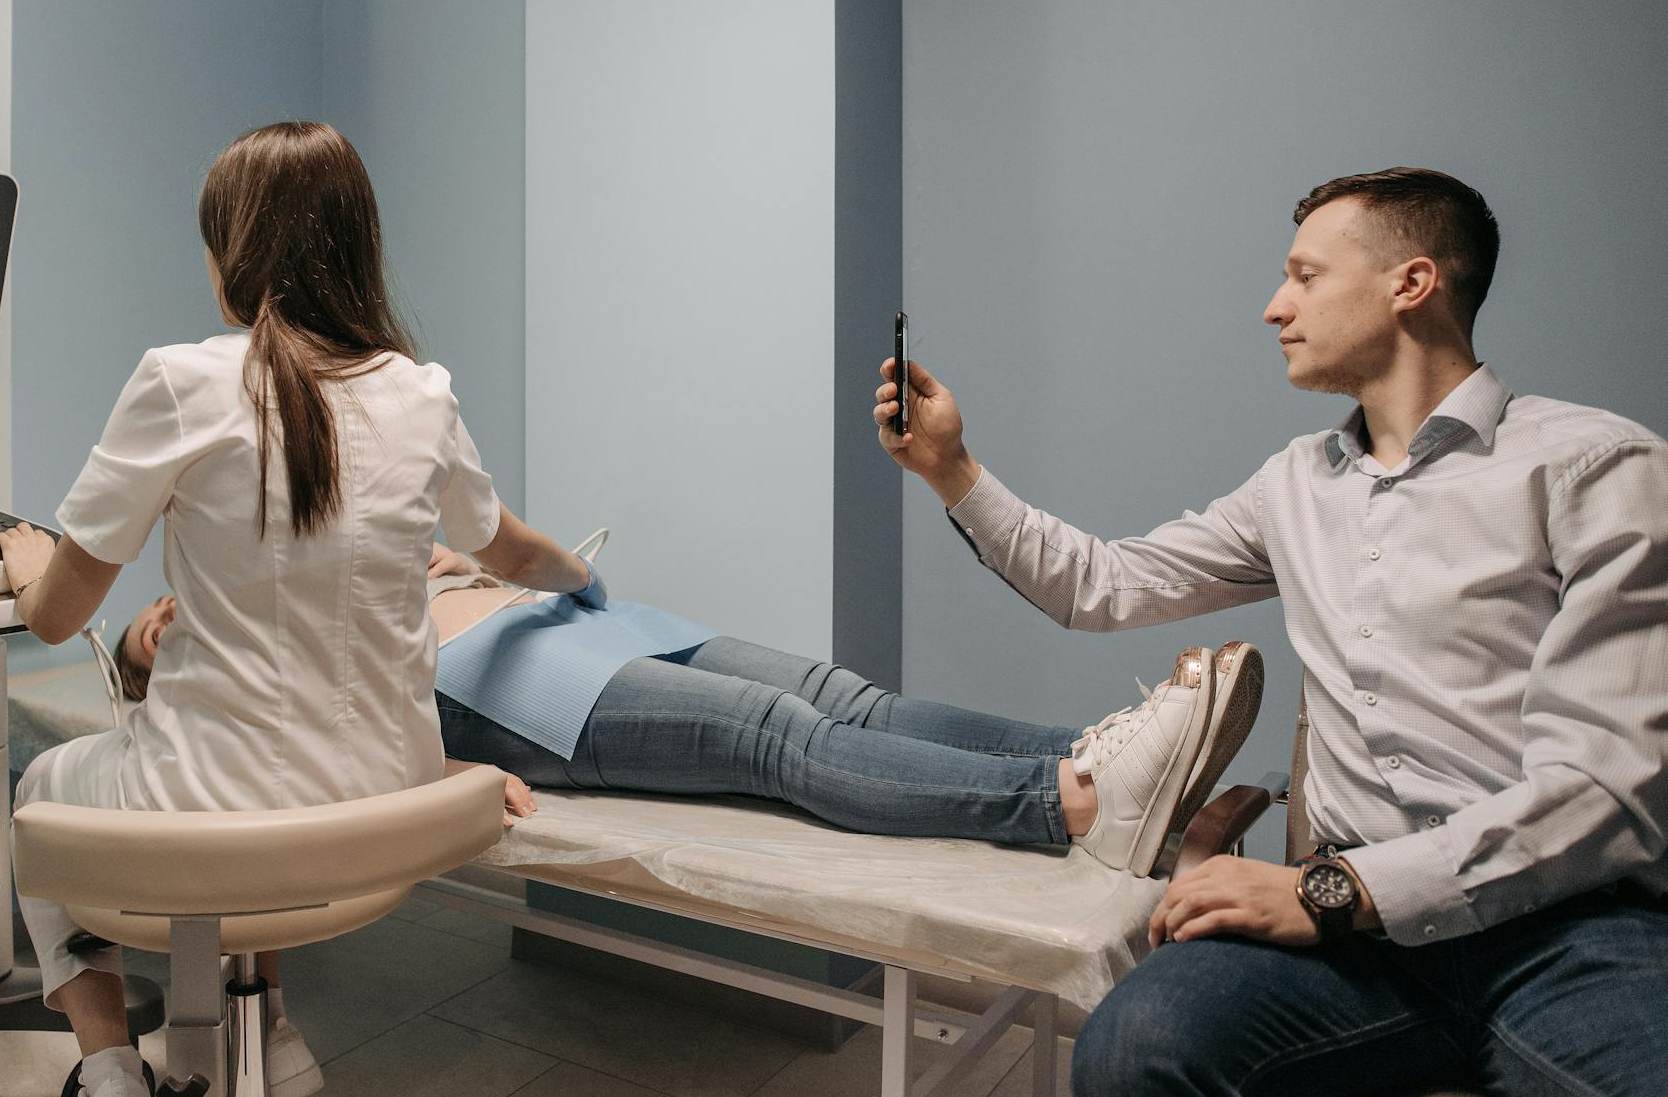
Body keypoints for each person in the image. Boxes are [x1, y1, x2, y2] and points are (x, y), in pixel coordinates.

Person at [873, 169, 1668, 1095]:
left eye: (1304, 275)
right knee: (1136, 1047)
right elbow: (1102, 584)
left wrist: (1329, 892)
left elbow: (1601, 791)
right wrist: (951, 467)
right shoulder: (1293, 484)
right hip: (1353, 948)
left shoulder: (1598, 468)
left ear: (1411, 284)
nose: (1273, 307)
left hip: (1565, 932)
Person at [0, 122, 599, 1097]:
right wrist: (583, 578)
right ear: (356, 248)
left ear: (232, 250)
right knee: (251, 786)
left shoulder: (181, 383)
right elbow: (517, 551)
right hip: (384, 809)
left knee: (43, 786)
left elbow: (57, 618)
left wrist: (27, 562)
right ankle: (265, 1029)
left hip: (226, 806)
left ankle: (108, 1070)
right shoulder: (421, 391)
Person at [112, 539, 1266, 875]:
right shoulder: (239, 650)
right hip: (504, 692)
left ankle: (1116, 764)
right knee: (776, 740)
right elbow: (310, 731)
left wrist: (461, 557)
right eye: (156, 634)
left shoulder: (302, 532)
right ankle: (1069, 802)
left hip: (581, 624)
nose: (170, 616)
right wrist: (445, 776)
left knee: (843, 693)